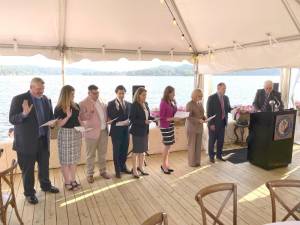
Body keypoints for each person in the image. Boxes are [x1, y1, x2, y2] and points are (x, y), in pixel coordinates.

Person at [9, 77, 59, 205]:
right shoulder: (19, 99)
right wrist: (24, 114)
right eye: (38, 89)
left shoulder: (46, 100)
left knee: (44, 166)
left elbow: (50, 117)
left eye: (42, 89)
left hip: (43, 140)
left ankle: (46, 186)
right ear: (31, 87)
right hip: (26, 143)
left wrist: (53, 123)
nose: (40, 91)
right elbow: (12, 119)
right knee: (28, 169)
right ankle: (29, 193)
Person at [79, 85, 111, 183]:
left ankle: (103, 171)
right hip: (91, 133)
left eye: (97, 93)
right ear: (89, 93)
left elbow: (105, 114)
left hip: (103, 131)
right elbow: (81, 118)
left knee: (102, 153)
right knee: (90, 155)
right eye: (94, 93)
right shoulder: (82, 103)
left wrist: (108, 119)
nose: (96, 95)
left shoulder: (101, 101)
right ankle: (90, 174)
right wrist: (88, 114)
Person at [54, 85, 82, 191]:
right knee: (65, 160)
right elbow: (60, 124)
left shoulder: (76, 106)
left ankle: (73, 180)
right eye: (72, 94)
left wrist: (83, 128)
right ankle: (67, 181)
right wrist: (68, 116)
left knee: (74, 159)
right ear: (66, 95)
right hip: (65, 134)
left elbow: (78, 119)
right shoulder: (58, 108)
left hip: (76, 133)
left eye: (74, 94)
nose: (74, 96)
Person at [129, 87, 154, 178]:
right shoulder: (134, 105)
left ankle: (141, 168)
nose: (145, 97)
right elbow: (132, 119)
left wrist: (154, 119)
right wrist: (144, 122)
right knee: (136, 151)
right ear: (138, 95)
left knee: (143, 150)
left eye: (146, 95)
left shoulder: (145, 104)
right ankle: (135, 170)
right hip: (137, 131)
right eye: (143, 95)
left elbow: (147, 116)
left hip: (145, 131)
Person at [107, 85, 131, 178]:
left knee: (124, 150)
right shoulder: (111, 104)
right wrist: (120, 120)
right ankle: (117, 170)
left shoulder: (129, 104)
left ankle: (123, 167)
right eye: (120, 93)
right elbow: (111, 116)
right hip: (116, 131)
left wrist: (129, 121)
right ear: (116, 93)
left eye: (123, 93)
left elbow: (130, 116)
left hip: (126, 130)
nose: (121, 95)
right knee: (116, 151)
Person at [207, 82, 232, 163]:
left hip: (223, 122)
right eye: (223, 88)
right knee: (212, 141)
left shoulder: (226, 98)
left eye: (225, 89)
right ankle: (211, 156)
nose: (225, 90)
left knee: (221, 140)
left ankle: (219, 155)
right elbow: (209, 112)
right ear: (218, 88)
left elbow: (228, 109)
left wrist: (235, 109)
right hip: (214, 123)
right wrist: (211, 124)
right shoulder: (211, 98)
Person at [185, 89, 206, 167]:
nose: (201, 98)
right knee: (192, 145)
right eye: (200, 96)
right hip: (191, 128)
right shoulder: (189, 104)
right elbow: (188, 117)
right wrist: (198, 120)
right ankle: (191, 163)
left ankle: (197, 161)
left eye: (201, 96)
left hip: (199, 127)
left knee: (198, 145)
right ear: (195, 95)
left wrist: (204, 118)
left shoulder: (200, 103)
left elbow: (201, 114)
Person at [159, 86, 177, 174]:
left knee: (169, 146)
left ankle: (166, 164)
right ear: (168, 93)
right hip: (165, 126)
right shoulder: (163, 103)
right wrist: (173, 118)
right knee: (167, 146)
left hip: (170, 125)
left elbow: (174, 112)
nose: (174, 94)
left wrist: (175, 103)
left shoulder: (170, 102)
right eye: (173, 93)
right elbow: (162, 117)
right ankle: (163, 165)